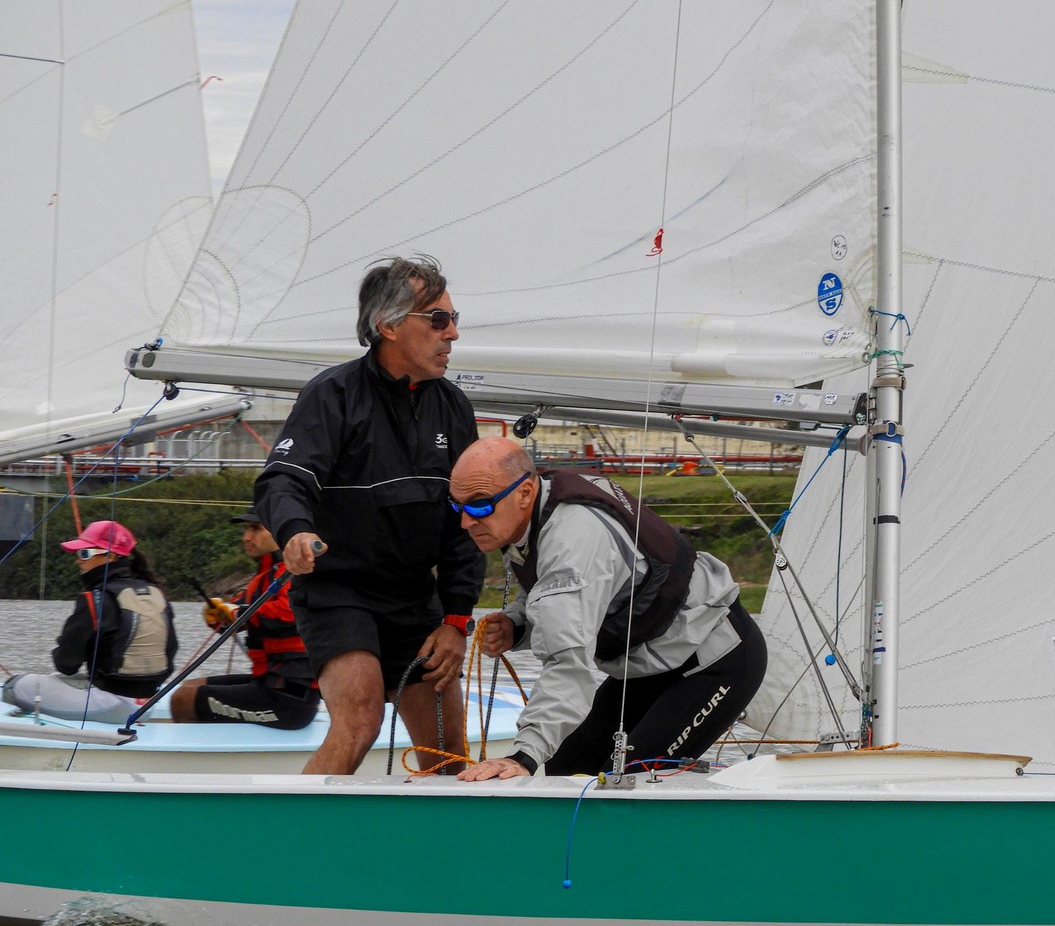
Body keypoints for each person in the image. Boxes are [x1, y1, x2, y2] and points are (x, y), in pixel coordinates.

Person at [253, 255, 485, 774]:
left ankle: (436, 851)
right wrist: (295, 532)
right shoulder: (332, 395)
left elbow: (466, 524)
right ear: (389, 326)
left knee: (448, 752)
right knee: (360, 723)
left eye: (454, 319)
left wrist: (456, 620)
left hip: (414, 598)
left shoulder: (454, 407)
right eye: (439, 320)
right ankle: (288, 840)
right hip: (339, 592)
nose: (453, 334)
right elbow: (282, 479)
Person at [450, 437, 767, 781]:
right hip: (650, 665)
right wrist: (518, 624)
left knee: (628, 781)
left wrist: (523, 756)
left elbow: (568, 663)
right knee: (566, 769)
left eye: (479, 506)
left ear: (525, 492)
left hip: (714, 659)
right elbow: (568, 588)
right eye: (457, 507)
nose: (466, 522)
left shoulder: (573, 540)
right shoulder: (542, 505)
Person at [1, 520, 178, 724]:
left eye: (84, 554)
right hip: (145, 706)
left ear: (110, 556)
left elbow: (66, 664)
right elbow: (170, 653)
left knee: (13, 686)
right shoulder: (157, 595)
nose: (78, 561)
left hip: (110, 705)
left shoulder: (95, 599)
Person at [168, 512, 320, 729]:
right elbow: (237, 615)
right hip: (268, 684)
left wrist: (236, 612)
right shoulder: (264, 579)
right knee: (190, 686)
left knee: (182, 701)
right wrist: (218, 614)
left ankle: (195, 759)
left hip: (290, 701)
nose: (246, 537)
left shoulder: (298, 574)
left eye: (255, 529)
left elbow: (288, 613)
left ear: (280, 533)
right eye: (246, 529)